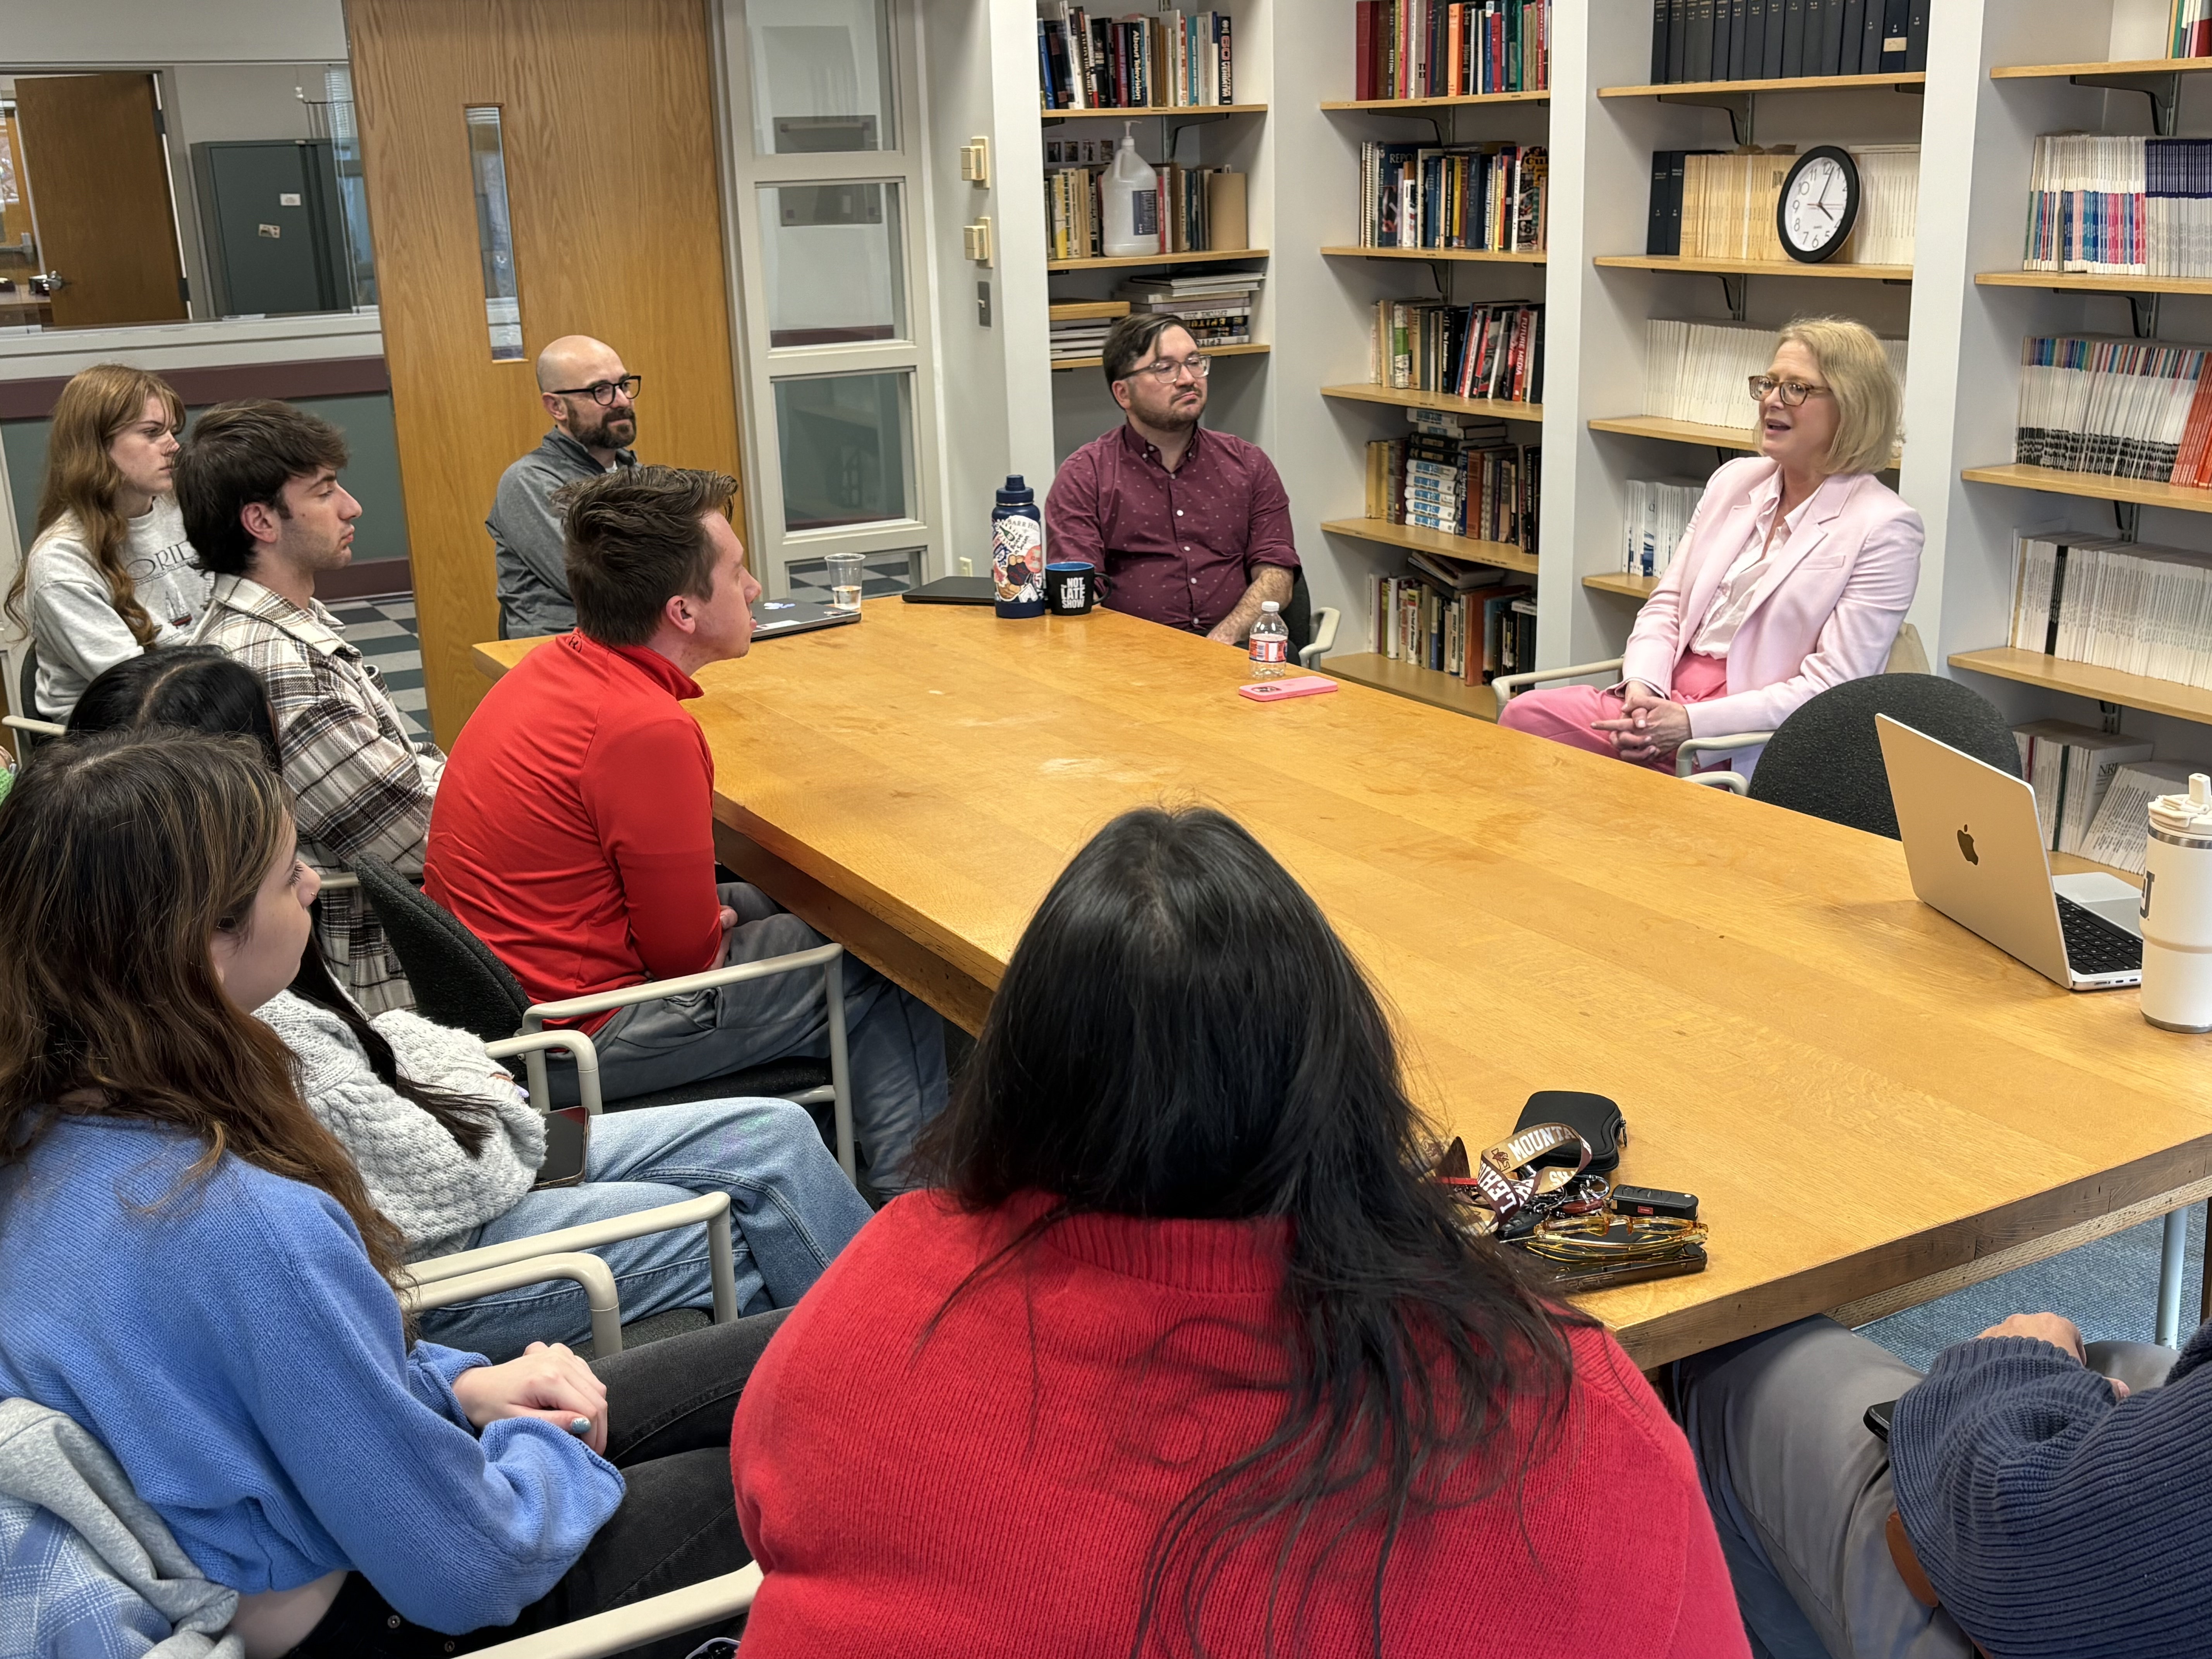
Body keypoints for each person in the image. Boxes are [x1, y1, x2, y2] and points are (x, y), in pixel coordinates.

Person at [728, 805, 1751, 1657]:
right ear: (1344, 1079)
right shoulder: (1565, 1403)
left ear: (1020, 1068)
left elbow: (772, 1510)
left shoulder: (869, 1304)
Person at [0, 729, 775, 1658]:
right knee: (784, 1464)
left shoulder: (44, 1130)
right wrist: (550, 1451)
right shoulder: (235, 1216)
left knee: (790, 1359)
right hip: (381, 1608)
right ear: (203, 943)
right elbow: (469, 1567)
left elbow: (315, 1386)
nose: (315, 887)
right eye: (290, 876)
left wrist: (462, 1386)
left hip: (312, 1525)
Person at [64, 647, 874, 1361]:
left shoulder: (203, 989)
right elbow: (444, 1172)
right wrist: (486, 1096)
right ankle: (869, 1391)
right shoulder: (228, 1041)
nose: (311, 877)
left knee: (777, 1132)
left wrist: (463, 1086)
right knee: (735, 1217)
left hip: (470, 1146)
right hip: (458, 1229)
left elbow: (391, 1054)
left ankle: (880, 1366)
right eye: (286, 874)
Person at [428, 465, 948, 1195]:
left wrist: (713, 915)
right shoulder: (644, 728)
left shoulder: (554, 667)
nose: (755, 588)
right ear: (683, 611)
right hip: (586, 1029)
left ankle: (867, 1172)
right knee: (887, 958)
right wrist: (709, 922)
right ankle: (920, 1209)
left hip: (519, 995)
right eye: (736, 572)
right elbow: (684, 957)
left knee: (799, 906)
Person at [1499, 316, 1922, 780]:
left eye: (1797, 388)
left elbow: (1832, 688)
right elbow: (1667, 607)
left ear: (1853, 406)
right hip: (1664, 697)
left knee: (1600, 779)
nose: (1772, 401)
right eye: (1769, 384)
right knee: (1527, 716)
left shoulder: (1885, 526)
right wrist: (1644, 690)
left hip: (1745, 729)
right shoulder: (1734, 481)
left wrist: (1691, 724)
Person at [1678, 1312, 2195, 1659]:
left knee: (1731, 1347)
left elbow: (2021, 1538)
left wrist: (2013, 1369)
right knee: (2118, 1358)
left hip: (2025, 1586)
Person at [177, 398, 440, 1015]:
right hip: (382, 959)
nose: (351, 506)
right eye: (324, 493)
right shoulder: (276, 664)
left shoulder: (286, 623)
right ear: (262, 523)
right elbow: (419, 833)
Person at [1044, 313, 1299, 646]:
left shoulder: (1249, 464)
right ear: (1124, 394)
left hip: (1236, 653)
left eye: (1194, 362)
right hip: (1132, 665)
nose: (1188, 379)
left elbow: (1277, 575)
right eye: (1165, 368)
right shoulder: (1086, 475)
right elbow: (1078, 595)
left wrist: (1220, 642)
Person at [3, 363, 205, 721]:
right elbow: (144, 695)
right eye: (152, 432)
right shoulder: (62, 560)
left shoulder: (183, 508)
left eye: (173, 431)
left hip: (203, 699)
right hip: (120, 742)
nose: (174, 447)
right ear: (97, 446)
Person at [490, 335, 641, 638]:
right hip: (561, 652)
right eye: (601, 391)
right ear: (556, 406)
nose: (623, 401)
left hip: (632, 644)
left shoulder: (636, 474)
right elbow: (602, 586)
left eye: (624, 385)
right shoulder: (530, 481)